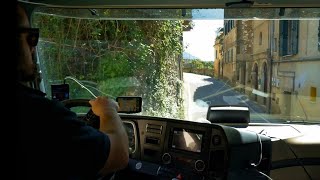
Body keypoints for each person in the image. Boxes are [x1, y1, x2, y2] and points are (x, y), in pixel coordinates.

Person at [16, 4, 129, 179]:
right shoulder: (39, 115)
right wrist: (108, 110)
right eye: (31, 38)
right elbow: (119, 154)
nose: (33, 47)